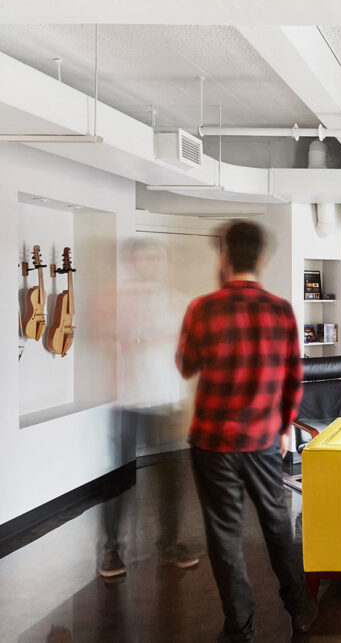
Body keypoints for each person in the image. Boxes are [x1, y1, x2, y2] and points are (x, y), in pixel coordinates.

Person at [176, 220, 316, 641]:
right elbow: (294, 377)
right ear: (260, 259)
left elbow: (186, 365)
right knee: (277, 525)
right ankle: (301, 611)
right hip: (262, 439)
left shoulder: (203, 308)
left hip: (212, 441)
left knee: (225, 536)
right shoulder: (280, 310)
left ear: (224, 257)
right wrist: (285, 425)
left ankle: (240, 628)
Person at [101, 238, 198, 579]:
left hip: (167, 401)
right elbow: (108, 336)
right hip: (128, 401)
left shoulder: (178, 302)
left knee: (171, 479)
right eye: (143, 260)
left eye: (156, 259)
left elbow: (187, 348)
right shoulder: (118, 301)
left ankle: (169, 543)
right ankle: (112, 549)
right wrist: (141, 338)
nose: (151, 265)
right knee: (120, 478)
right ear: (131, 263)